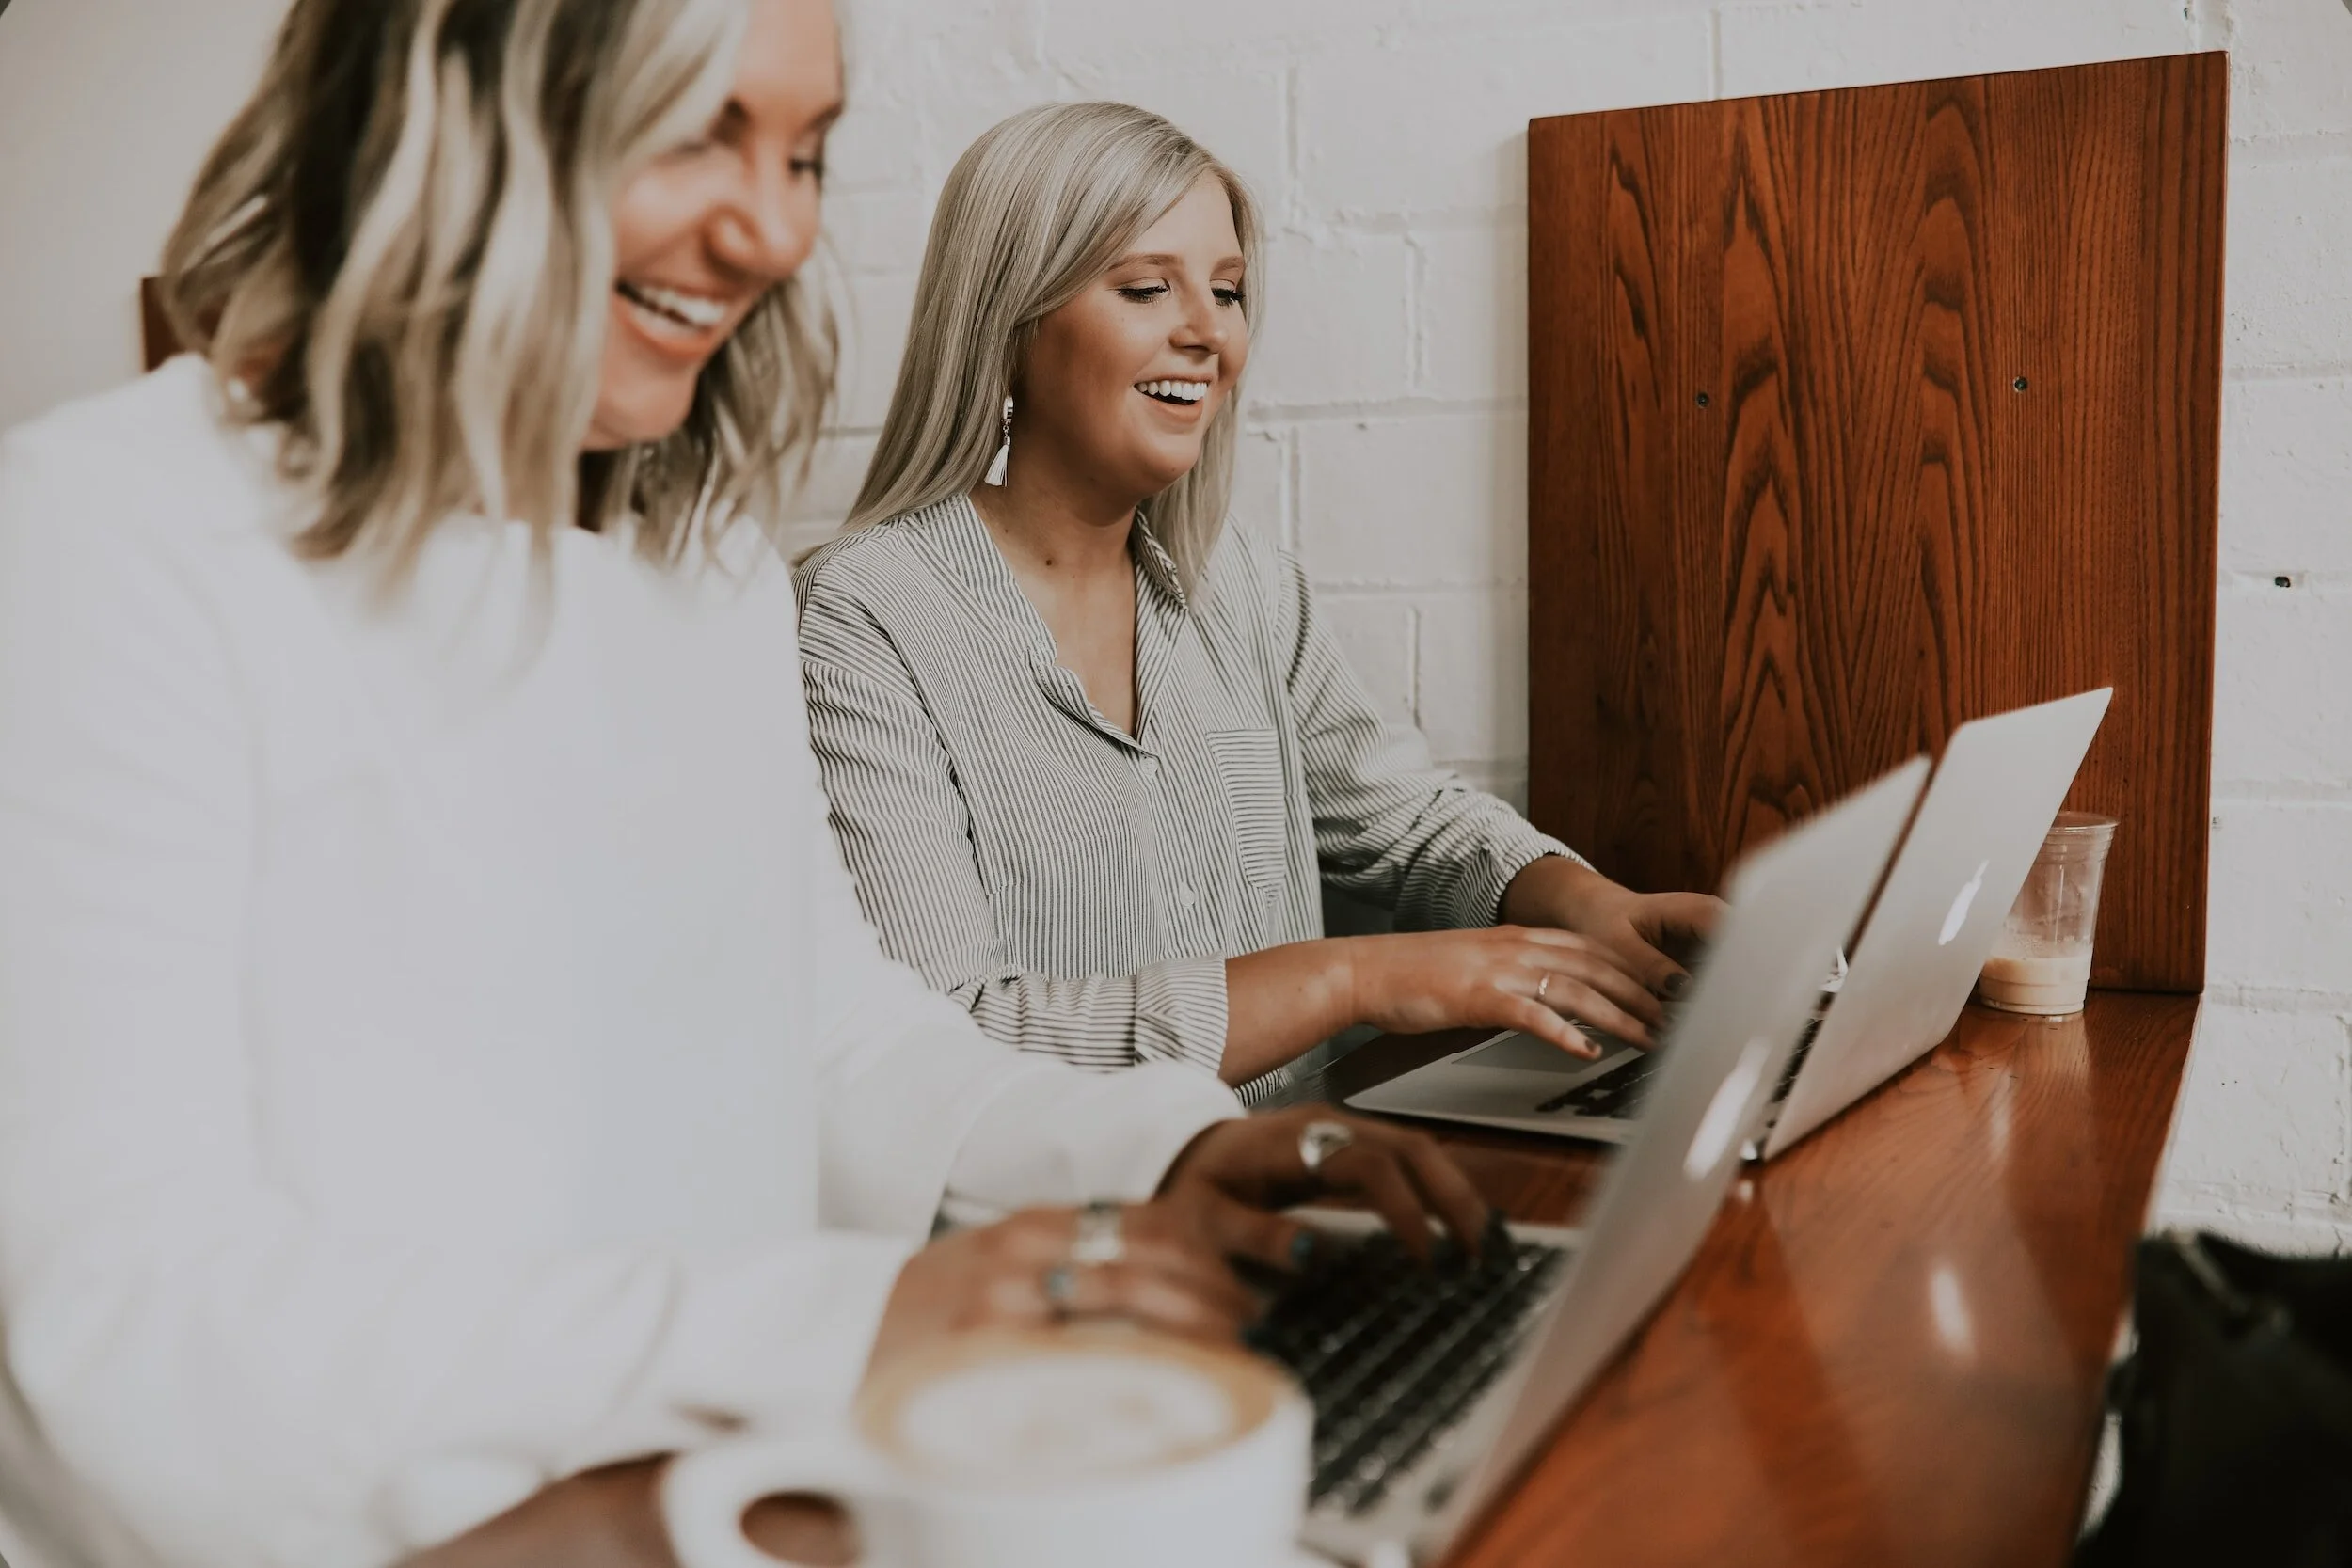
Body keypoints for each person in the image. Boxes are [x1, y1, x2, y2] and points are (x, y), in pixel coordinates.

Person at [0, 10, 1486, 1568]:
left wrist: (1152, 1153)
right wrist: (846, 1323)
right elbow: (113, 1317)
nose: (773, 227)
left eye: (805, 150)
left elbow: (837, 1030)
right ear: (446, 104)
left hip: (729, 1510)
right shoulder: (108, 538)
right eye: (696, 130)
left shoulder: (697, 570)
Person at [795, 103, 1724, 1101]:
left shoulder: (1241, 586)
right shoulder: (862, 616)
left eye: (1228, 292)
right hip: (1079, 1231)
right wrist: (1356, 977)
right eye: (1147, 287)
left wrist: (1586, 903)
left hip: (1312, 1179)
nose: (1207, 332)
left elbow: (1402, 822)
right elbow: (953, 1034)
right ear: (1010, 322)